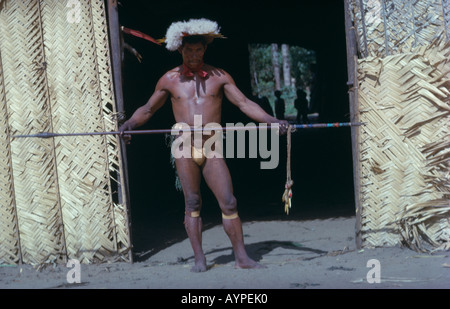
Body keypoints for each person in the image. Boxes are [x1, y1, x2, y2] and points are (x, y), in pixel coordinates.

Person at [119, 18, 288, 272]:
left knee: (229, 202)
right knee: (193, 202)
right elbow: (148, 108)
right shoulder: (170, 80)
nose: (195, 55)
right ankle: (200, 259)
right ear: (180, 50)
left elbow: (244, 103)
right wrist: (130, 123)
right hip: (185, 148)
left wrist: (272, 120)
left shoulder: (219, 77)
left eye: (199, 50)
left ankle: (242, 257)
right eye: (189, 51)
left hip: (212, 148)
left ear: (205, 49)